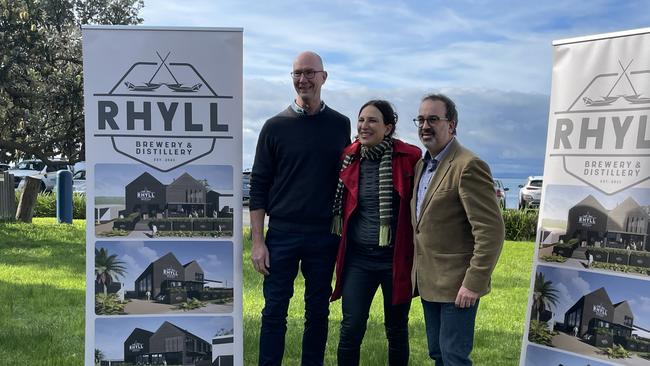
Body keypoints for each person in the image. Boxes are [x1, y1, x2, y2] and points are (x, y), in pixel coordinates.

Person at [249, 51, 351, 366]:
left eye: (309, 73)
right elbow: (258, 186)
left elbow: (348, 178)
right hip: (282, 233)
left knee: (318, 312)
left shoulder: (340, 125)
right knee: (274, 311)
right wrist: (257, 241)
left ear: (324, 77)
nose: (302, 79)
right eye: (297, 73)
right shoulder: (274, 126)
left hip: (323, 235)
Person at [411, 93, 504, 365]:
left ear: (451, 125)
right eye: (421, 119)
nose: (425, 126)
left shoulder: (468, 165)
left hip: (458, 287)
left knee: (453, 357)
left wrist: (473, 283)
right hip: (430, 283)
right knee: (438, 354)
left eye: (433, 119)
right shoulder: (422, 165)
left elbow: (491, 231)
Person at [330, 100, 421, 366]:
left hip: (394, 259)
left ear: (388, 127)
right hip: (359, 259)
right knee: (351, 327)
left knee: (396, 329)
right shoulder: (349, 157)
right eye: (361, 120)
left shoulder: (409, 158)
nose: (364, 126)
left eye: (372, 121)